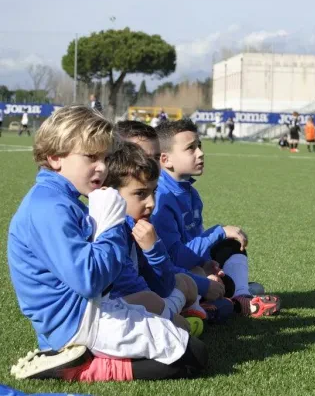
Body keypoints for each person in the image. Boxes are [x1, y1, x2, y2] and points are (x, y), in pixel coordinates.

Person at [7, 106, 207, 381]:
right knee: (192, 355)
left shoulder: (63, 200)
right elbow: (91, 280)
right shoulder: (48, 206)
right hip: (74, 323)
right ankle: (84, 368)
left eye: (104, 157)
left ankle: (84, 356)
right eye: (91, 157)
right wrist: (112, 223)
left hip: (91, 310)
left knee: (183, 338)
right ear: (55, 157)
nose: (102, 166)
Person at [153, 119, 281, 317]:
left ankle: (241, 295)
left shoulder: (191, 193)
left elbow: (195, 242)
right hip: (174, 275)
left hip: (192, 266)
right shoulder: (161, 198)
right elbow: (176, 257)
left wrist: (208, 264)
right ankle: (224, 302)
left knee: (231, 243)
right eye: (190, 148)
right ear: (165, 159)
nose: (200, 153)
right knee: (218, 247)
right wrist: (218, 232)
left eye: (199, 146)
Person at [103, 141, 208, 328]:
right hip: (115, 315)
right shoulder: (111, 232)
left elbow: (164, 286)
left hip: (144, 303)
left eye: (153, 192)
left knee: (187, 281)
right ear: (111, 194)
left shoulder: (140, 225)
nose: (151, 202)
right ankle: (178, 321)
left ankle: (188, 313)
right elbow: (136, 291)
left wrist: (154, 249)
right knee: (181, 326)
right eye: (140, 194)